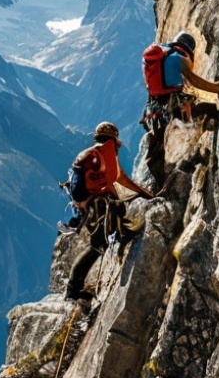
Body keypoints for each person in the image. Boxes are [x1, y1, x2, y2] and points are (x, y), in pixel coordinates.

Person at [63, 122, 152, 302]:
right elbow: (117, 181)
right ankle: (73, 290)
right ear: (113, 139)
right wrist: (146, 195)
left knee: (100, 240)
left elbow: (115, 179)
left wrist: (139, 195)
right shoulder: (107, 148)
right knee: (97, 245)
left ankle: (74, 288)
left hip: (85, 203)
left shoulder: (94, 152)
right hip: (95, 203)